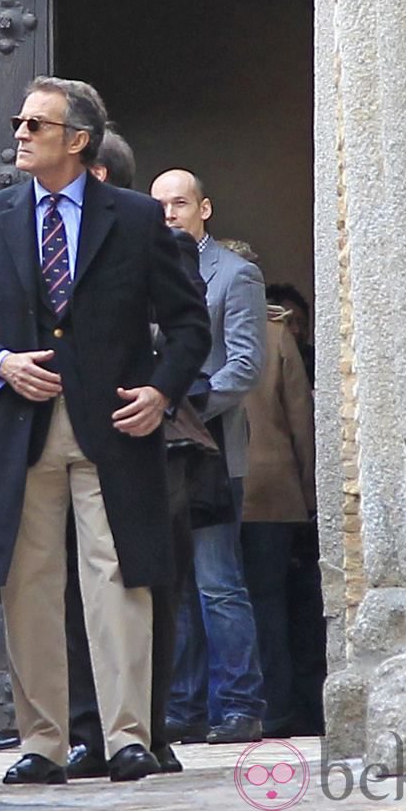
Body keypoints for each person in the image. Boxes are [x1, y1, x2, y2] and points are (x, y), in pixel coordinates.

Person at [0, 78, 211, 785]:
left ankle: (129, 735)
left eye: (37, 122)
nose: (21, 132)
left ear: (78, 138)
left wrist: (161, 390)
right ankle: (43, 742)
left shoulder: (132, 217)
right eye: (20, 121)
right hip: (22, 430)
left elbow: (189, 324)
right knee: (29, 585)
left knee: (118, 576)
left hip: (117, 424)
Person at [65, 132, 208, 781]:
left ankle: (148, 725)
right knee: (76, 588)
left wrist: (146, 374)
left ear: (96, 172)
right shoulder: (46, 244)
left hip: (146, 437)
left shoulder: (156, 237)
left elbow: (184, 326)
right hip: (68, 434)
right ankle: (86, 729)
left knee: (148, 578)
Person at [150, 169, 267, 746]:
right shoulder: (144, 272)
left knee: (218, 583)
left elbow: (244, 366)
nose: (170, 212)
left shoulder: (236, 275)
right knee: (171, 585)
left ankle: (242, 705)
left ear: (205, 208)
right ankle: (182, 707)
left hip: (215, 451)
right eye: (161, 204)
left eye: (180, 202)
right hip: (157, 452)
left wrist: (182, 403)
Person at [241, 297, 317, 737]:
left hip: (204, 486)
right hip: (272, 487)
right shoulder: (275, 335)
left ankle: (217, 708)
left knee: (203, 600)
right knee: (267, 604)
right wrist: (308, 494)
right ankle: (276, 709)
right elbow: (301, 419)